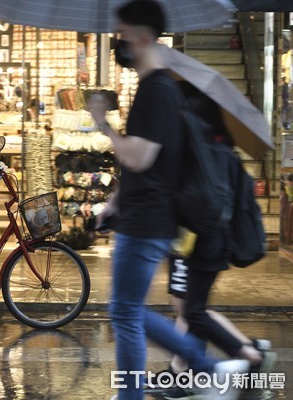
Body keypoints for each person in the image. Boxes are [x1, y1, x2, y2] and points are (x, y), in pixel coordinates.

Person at [88, 2, 249, 399]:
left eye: (123, 34)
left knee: (125, 311)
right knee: (126, 310)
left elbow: (140, 157)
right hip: (145, 214)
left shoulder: (156, 90)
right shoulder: (157, 88)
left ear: (142, 37)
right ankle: (199, 368)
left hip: (148, 219)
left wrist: (103, 125)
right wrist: (115, 200)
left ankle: (195, 370)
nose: (118, 42)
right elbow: (148, 163)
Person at [156, 82, 276, 399]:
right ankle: (186, 371)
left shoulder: (200, 150)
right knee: (194, 309)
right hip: (213, 243)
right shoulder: (225, 149)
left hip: (196, 242)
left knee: (192, 311)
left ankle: (248, 355)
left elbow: (192, 198)